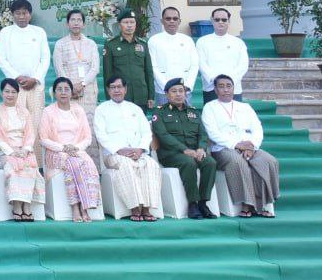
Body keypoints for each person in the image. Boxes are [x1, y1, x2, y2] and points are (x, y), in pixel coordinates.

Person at [202, 74, 279, 217]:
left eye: (229, 86)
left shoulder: (245, 107)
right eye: (221, 86)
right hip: (223, 149)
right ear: (215, 90)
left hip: (249, 147)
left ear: (234, 88)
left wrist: (252, 147)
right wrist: (236, 145)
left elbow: (257, 129)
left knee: (268, 161)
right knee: (238, 162)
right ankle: (247, 204)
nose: (226, 90)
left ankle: (264, 203)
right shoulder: (210, 107)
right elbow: (212, 133)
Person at [93, 75, 162, 222]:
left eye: (119, 87)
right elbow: (101, 135)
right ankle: (135, 208)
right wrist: (119, 150)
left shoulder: (135, 108)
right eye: (113, 87)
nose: (116, 90)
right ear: (108, 90)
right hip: (113, 155)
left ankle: (147, 208)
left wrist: (141, 149)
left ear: (125, 89)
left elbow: (146, 133)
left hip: (138, 152)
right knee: (126, 165)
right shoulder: (101, 109)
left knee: (151, 165)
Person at [152, 77, 218, 219]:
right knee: (189, 162)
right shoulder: (159, 112)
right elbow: (163, 136)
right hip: (171, 154)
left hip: (195, 152)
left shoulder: (194, 112)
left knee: (210, 163)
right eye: (174, 91)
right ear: (166, 94)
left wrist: (201, 148)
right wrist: (184, 149)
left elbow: (202, 134)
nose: (178, 94)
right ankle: (192, 204)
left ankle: (203, 203)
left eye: (181, 91)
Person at [40, 76, 102, 221]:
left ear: (71, 92)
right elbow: (43, 139)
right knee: (72, 163)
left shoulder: (78, 110)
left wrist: (75, 147)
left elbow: (87, 137)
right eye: (59, 89)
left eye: (66, 89)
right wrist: (63, 148)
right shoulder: (48, 111)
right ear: (54, 92)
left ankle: (85, 206)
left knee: (88, 164)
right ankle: (75, 207)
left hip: (76, 150)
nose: (63, 92)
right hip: (56, 152)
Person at [0, 0, 50, 155]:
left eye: (24, 13)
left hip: (36, 85)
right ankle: (18, 158)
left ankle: (38, 162)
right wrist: (17, 77)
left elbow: (45, 58)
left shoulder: (39, 32)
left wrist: (35, 78)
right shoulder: (6, 32)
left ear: (30, 14)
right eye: (18, 13)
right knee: (17, 123)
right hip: (15, 87)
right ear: (12, 15)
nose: (21, 16)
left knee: (36, 122)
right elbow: (1, 59)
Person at [0, 78, 44, 221]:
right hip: (3, 153)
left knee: (30, 165)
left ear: (18, 94)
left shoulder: (25, 112)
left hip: (24, 151)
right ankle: (17, 205)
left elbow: (30, 134)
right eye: (7, 91)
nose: (10, 95)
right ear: (1, 93)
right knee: (13, 166)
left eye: (13, 92)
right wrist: (12, 152)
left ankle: (27, 205)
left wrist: (25, 149)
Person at [53, 9, 101, 156]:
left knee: (89, 125)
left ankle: (92, 163)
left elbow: (95, 68)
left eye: (79, 20)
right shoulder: (60, 44)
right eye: (73, 20)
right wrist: (70, 87)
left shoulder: (91, 44)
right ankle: (71, 159)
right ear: (67, 24)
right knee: (71, 125)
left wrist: (82, 84)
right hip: (68, 91)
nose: (76, 23)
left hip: (88, 89)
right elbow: (59, 67)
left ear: (84, 24)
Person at [103, 9, 154, 112]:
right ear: (119, 25)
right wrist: (109, 98)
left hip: (141, 95)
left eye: (132, 22)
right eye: (126, 22)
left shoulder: (143, 44)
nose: (129, 25)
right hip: (120, 96)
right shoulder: (111, 45)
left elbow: (148, 72)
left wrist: (151, 96)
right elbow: (107, 74)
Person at [149, 6, 200, 105]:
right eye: (168, 19)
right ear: (162, 21)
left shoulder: (187, 40)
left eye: (175, 19)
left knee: (186, 115)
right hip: (163, 91)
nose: (172, 21)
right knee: (164, 115)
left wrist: (187, 86)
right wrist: (167, 87)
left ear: (179, 21)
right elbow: (153, 67)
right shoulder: (154, 40)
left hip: (184, 90)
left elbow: (194, 65)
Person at [197, 9, 250, 103]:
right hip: (211, 88)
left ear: (229, 21)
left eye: (224, 20)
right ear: (212, 20)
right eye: (217, 19)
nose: (220, 22)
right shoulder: (202, 41)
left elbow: (243, 65)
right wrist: (216, 81)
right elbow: (201, 63)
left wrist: (229, 82)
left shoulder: (238, 42)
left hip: (234, 88)